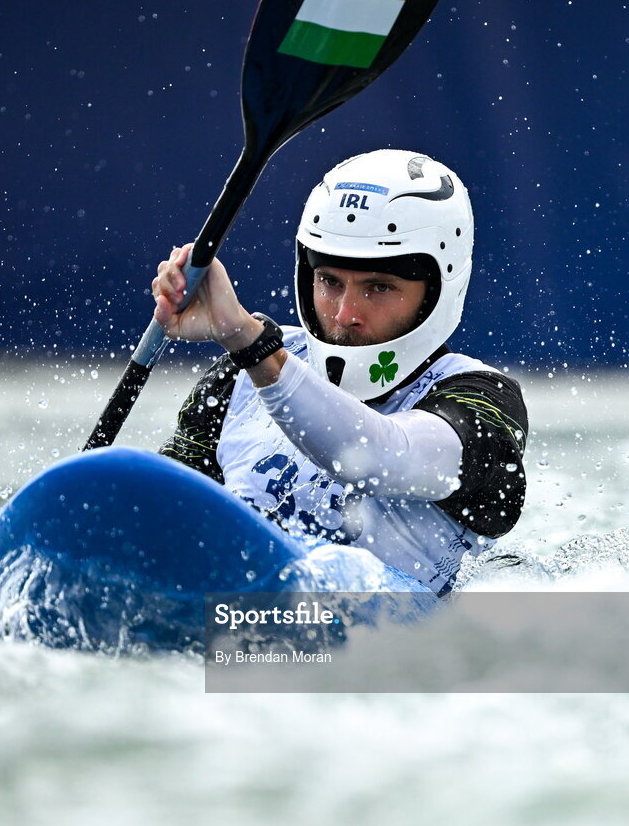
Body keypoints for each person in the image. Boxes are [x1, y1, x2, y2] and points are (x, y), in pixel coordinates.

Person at [153, 149, 528, 597]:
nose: (345, 314)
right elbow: (165, 518)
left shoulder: (484, 399)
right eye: (330, 281)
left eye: (379, 287)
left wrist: (250, 344)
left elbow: (377, 457)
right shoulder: (238, 375)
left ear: (439, 290)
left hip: (390, 650)